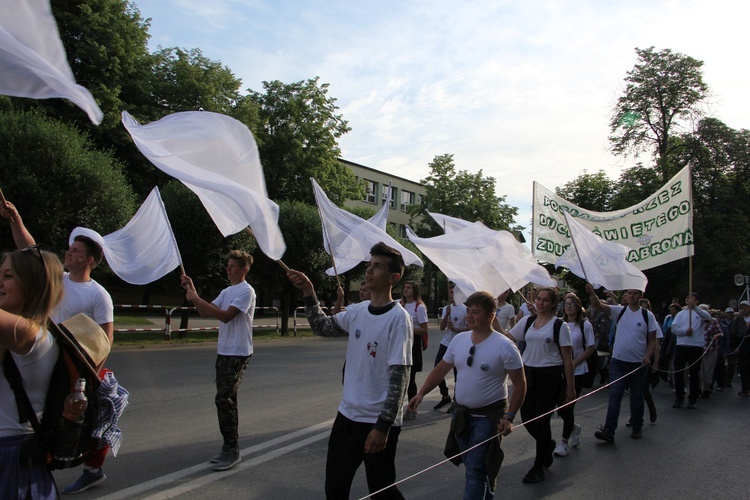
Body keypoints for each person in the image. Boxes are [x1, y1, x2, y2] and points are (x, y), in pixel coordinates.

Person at [2, 200, 116, 493]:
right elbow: (31, 256)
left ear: (89, 260)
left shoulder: (99, 295)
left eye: (76, 251)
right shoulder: (61, 280)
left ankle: (92, 467)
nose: (69, 252)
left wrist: (81, 379)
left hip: (52, 354)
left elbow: (104, 341)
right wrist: (16, 219)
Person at [287, 242, 412, 500]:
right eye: (370, 265)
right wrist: (309, 292)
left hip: (377, 422)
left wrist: (383, 426)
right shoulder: (357, 311)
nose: (369, 271)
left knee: (381, 491)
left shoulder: (399, 319)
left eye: (377, 267)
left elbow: (400, 378)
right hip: (347, 418)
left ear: (393, 278)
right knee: (335, 488)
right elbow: (321, 327)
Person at [408, 291, 526, 499]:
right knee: (474, 467)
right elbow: (440, 369)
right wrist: (421, 394)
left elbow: (520, 384)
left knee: (474, 469)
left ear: (491, 316)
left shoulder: (505, 346)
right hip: (461, 416)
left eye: (476, 312)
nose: (469, 317)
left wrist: (509, 417)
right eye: (469, 312)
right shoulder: (459, 340)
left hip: (488, 419)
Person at [181, 250, 256, 472]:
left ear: (244, 270)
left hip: (238, 352)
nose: (228, 269)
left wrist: (196, 298)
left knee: (225, 398)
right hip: (224, 351)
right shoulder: (227, 291)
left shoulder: (246, 291)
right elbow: (205, 312)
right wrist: (192, 291)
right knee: (224, 398)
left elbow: (225, 316)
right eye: (228, 265)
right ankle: (228, 447)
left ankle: (231, 449)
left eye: (233, 266)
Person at [1, 246, 64, 499]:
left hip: (12, 461)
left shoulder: (31, 335)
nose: (0, 282)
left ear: (31, 284)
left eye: (8, 276)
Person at [507, 287, 575, 484]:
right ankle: (547, 445)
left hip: (549, 377)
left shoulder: (560, 326)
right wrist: (493, 316)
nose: (540, 303)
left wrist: (570, 389)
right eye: (538, 299)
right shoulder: (527, 321)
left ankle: (538, 467)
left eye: (545, 300)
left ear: (553, 304)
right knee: (527, 417)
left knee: (541, 420)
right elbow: (507, 337)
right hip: (528, 374)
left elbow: (567, 359)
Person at [586, 285, 657, 443]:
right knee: (615, 395)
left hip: (638, 364)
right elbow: (599, 305)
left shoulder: (647, 315)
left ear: (640, 295)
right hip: (618, 361)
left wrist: (648, 356)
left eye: (635, 293)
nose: (631, 296)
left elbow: (653, 340)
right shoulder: (620, 311)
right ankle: (609, 430)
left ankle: (637, 426)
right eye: (629, 293)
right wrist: (592, 293)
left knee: (636, 396)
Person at [553, 293, 595, 457]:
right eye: (566, 303)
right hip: (560, 370)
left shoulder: (585, 325)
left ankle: (564, 442)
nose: (568, 306)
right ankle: (573, 427)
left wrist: (573, 363)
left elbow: (590, 348)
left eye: (571, 303)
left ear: (578, 306)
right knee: (560, 406)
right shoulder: (560, 324)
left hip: (577, 371)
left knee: (568, 406)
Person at [670, 292, 712, 409]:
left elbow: (708, 318)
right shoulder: (680, 314)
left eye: (692, 299)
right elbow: (674, 328)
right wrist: (684, 332)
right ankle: (679, 397)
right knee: (678, 371)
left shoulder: (701, 313)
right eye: (688, 299)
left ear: (696, 301)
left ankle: (692, 398)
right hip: (682, 345)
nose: (689, 301)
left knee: (694, 373)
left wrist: (695, 308)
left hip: (696, 346)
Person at [434, 283, 466, 411]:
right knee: (437, 369)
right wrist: (446, 314)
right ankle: (445, 395)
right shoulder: (447, 308)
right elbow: (442, 327)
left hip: (458, 344)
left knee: (458, 373)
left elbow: (469, 329)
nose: (451, 295)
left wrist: (456, 329)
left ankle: (456, 401)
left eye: (454, 293)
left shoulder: (465, 309)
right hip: (446, 343)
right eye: (450, 292)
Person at [399, 280, 428, 421]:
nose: (405, 289)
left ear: (414, 290)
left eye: (408, 287)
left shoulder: (419, 307)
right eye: (404, 287)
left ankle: (411, 408)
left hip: (413, 343)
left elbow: (424, 329)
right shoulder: (400, 305)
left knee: (410, 379)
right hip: (400, 342)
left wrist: (409, 328)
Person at [729, 300, 750, 397]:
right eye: (742, 307)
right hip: (742, 344)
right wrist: (736, 346)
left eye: (746, 307)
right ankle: (745, 388)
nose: (744, 309)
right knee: (744, 367)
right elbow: (733, 333)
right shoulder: (738, 320)